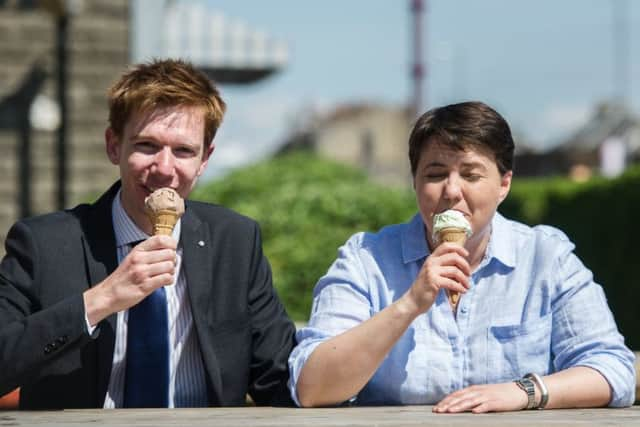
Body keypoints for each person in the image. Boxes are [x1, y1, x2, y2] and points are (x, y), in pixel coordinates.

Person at [288, 101, 636, 412]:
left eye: (471, 174)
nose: (452, 191)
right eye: (435, 174)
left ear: (504, 185)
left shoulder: (546, 258)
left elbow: (612, 367)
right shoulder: (365, 260)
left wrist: (524, 391)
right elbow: (312, 387)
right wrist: (409, 304)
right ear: (414, 182)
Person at [0, 59, 296, 409]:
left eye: (184, 151)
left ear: (204, 159)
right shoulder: (44, 243)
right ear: (114, 146)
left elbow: (278, 376)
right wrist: (101, 300)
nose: (165, 168)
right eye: (147, 146)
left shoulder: (235, 241)